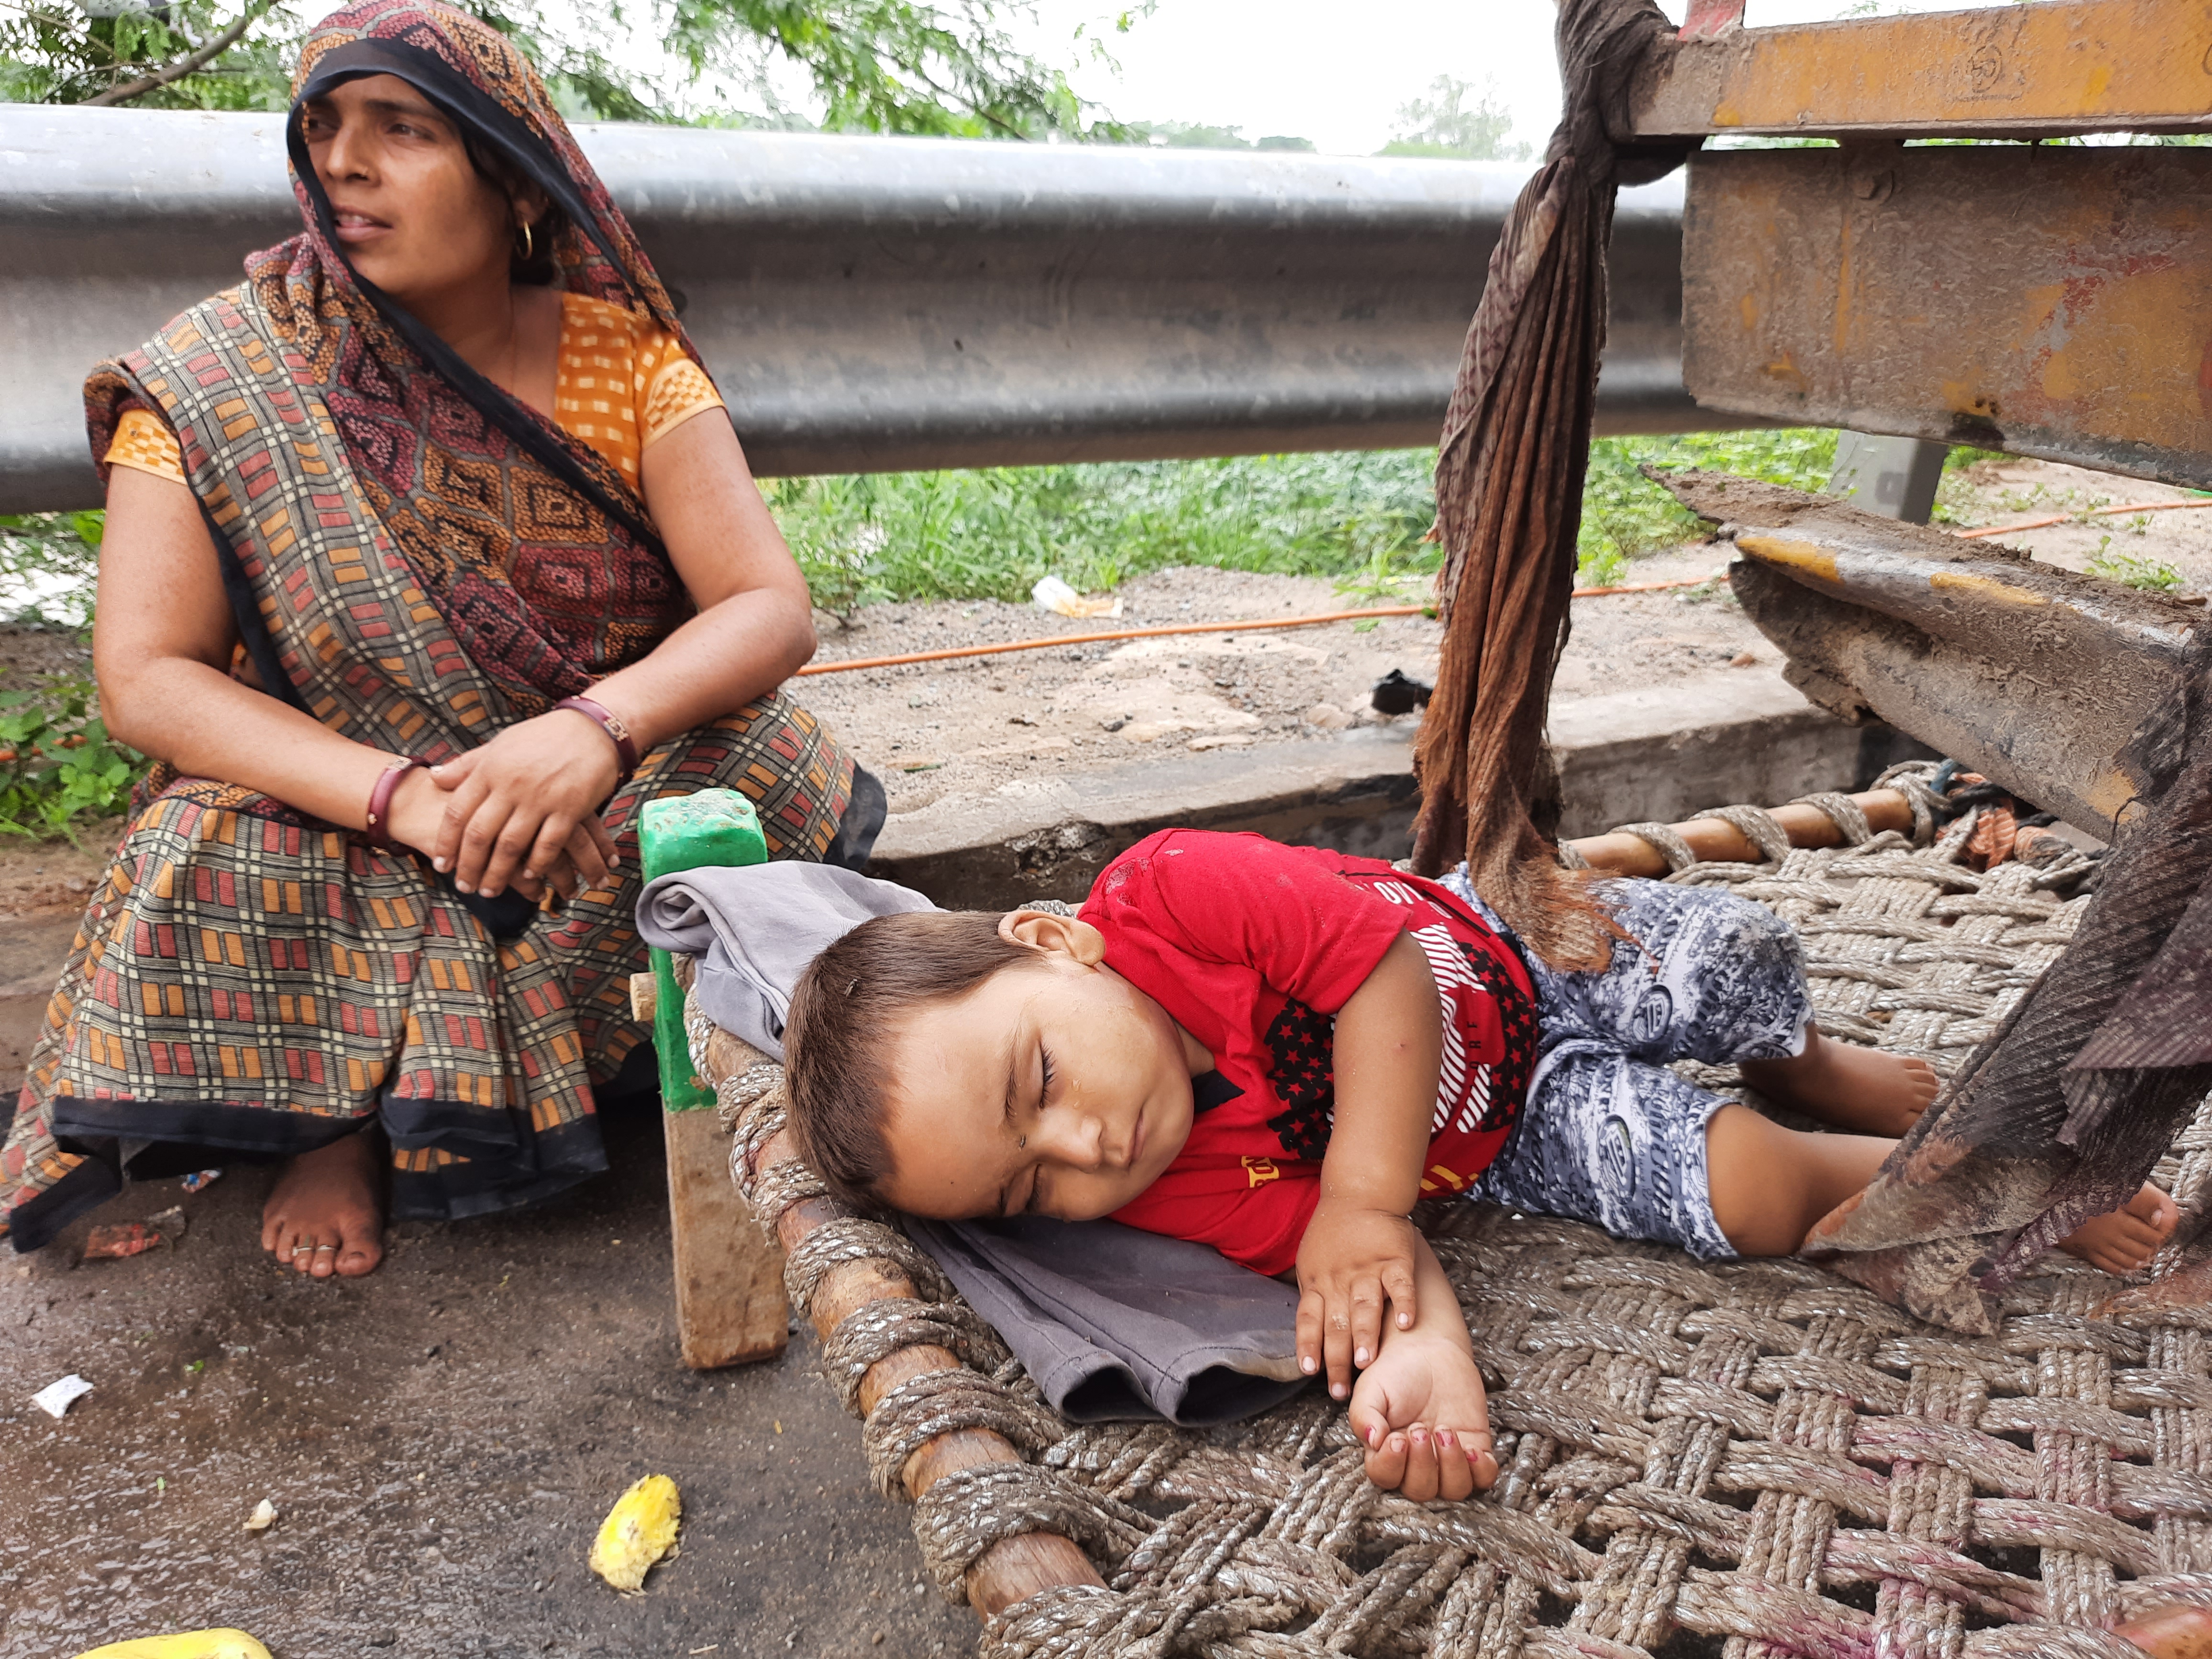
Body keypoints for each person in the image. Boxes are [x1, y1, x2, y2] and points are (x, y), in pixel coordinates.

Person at [0, 0, 881, 1279]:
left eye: (400, 129)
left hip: (584, 785)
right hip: (345, 796)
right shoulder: (219, 377)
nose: (343, 163)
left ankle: (353, 1098)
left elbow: (765, 608)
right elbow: (146, 678)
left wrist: (589, 733)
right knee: (192, 840)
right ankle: (380, 1109)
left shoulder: (624, 365)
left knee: (758, 766)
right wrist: (410, 799)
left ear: (514, 180)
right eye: (324, 128)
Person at [781, 829, 2180, 1499]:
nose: (1083, 1146)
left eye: (1039, 1079)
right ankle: (1959, 1174)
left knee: (1733, 951)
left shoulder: (1168, 894)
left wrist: (1360, 1195)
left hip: (1508, 936)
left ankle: (1794, 1054)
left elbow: (1384, 976)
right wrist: (1424, 1366)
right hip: (1518, 1122)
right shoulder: (1173, 1185)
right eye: (1032, 1190)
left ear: (1049, 940)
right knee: (1750, 1196)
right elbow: (1367, 1271)